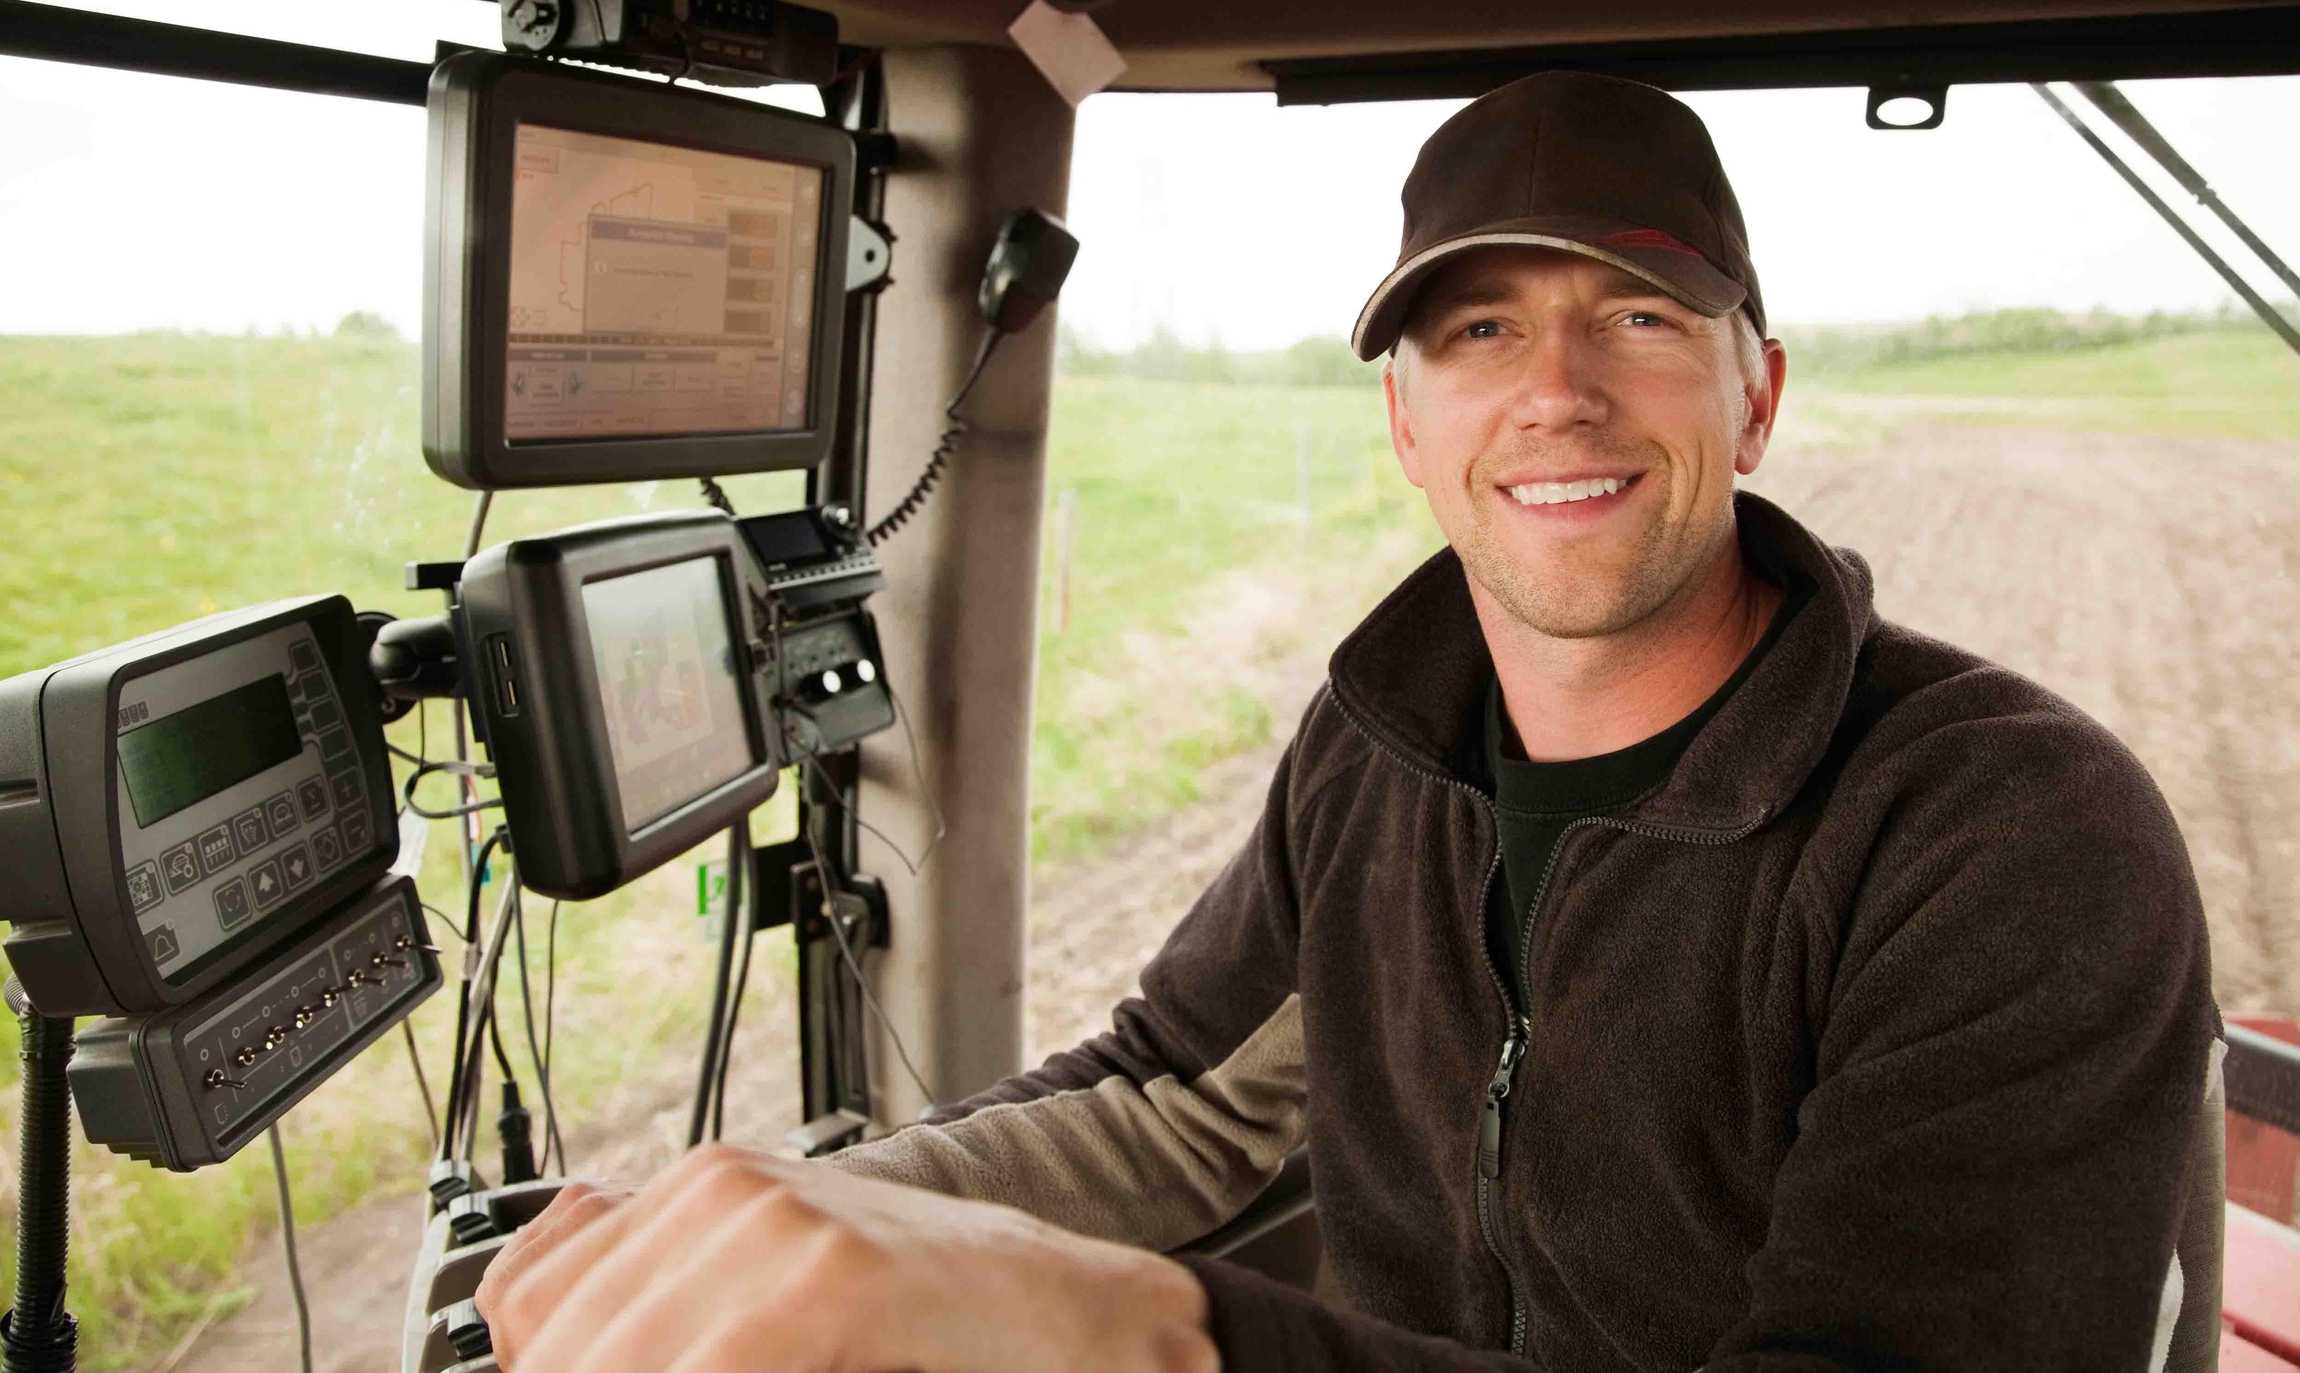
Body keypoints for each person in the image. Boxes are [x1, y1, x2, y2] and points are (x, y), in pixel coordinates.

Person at [475, 73, 2223, 1371]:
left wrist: (1146, 1332)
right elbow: (1174, 1103)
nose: (1555, 390)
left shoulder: (2011, 837)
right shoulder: (1381, 750)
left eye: (1636, 314)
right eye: (1479, 329)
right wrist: (783, 1223)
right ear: (1407, 421)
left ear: (1753, 392)